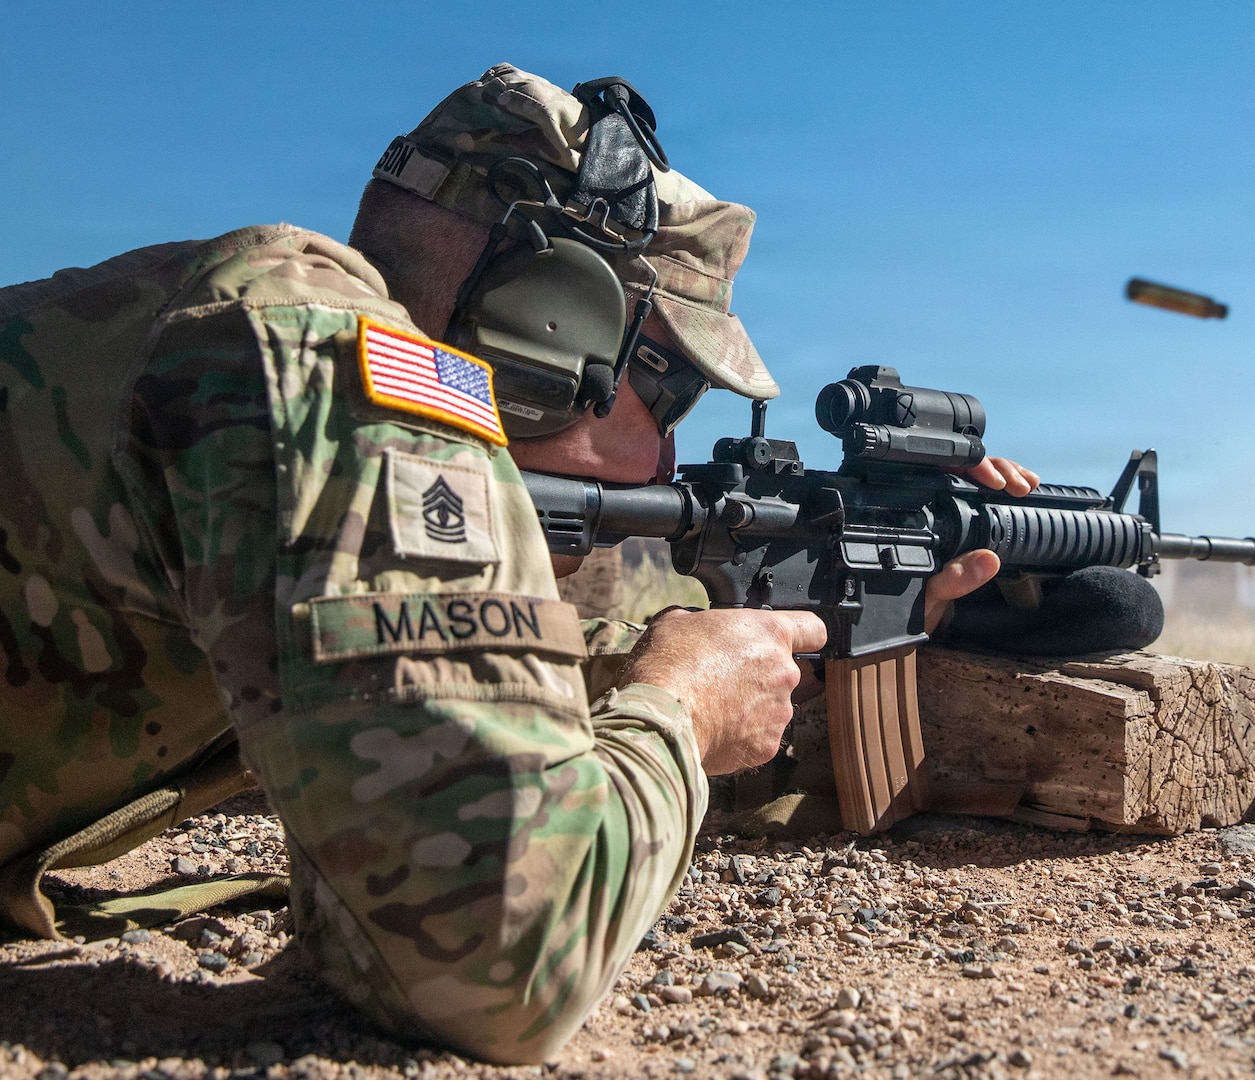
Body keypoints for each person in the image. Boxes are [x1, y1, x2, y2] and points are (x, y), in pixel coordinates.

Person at [0, 64, 1050, 1063]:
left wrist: (919, 619)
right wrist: (680, 709)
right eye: (671, 390)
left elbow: (498, 698)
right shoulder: (315, 349)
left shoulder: (258, 373)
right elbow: (502, 960)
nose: (669, 459)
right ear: (550, 326)